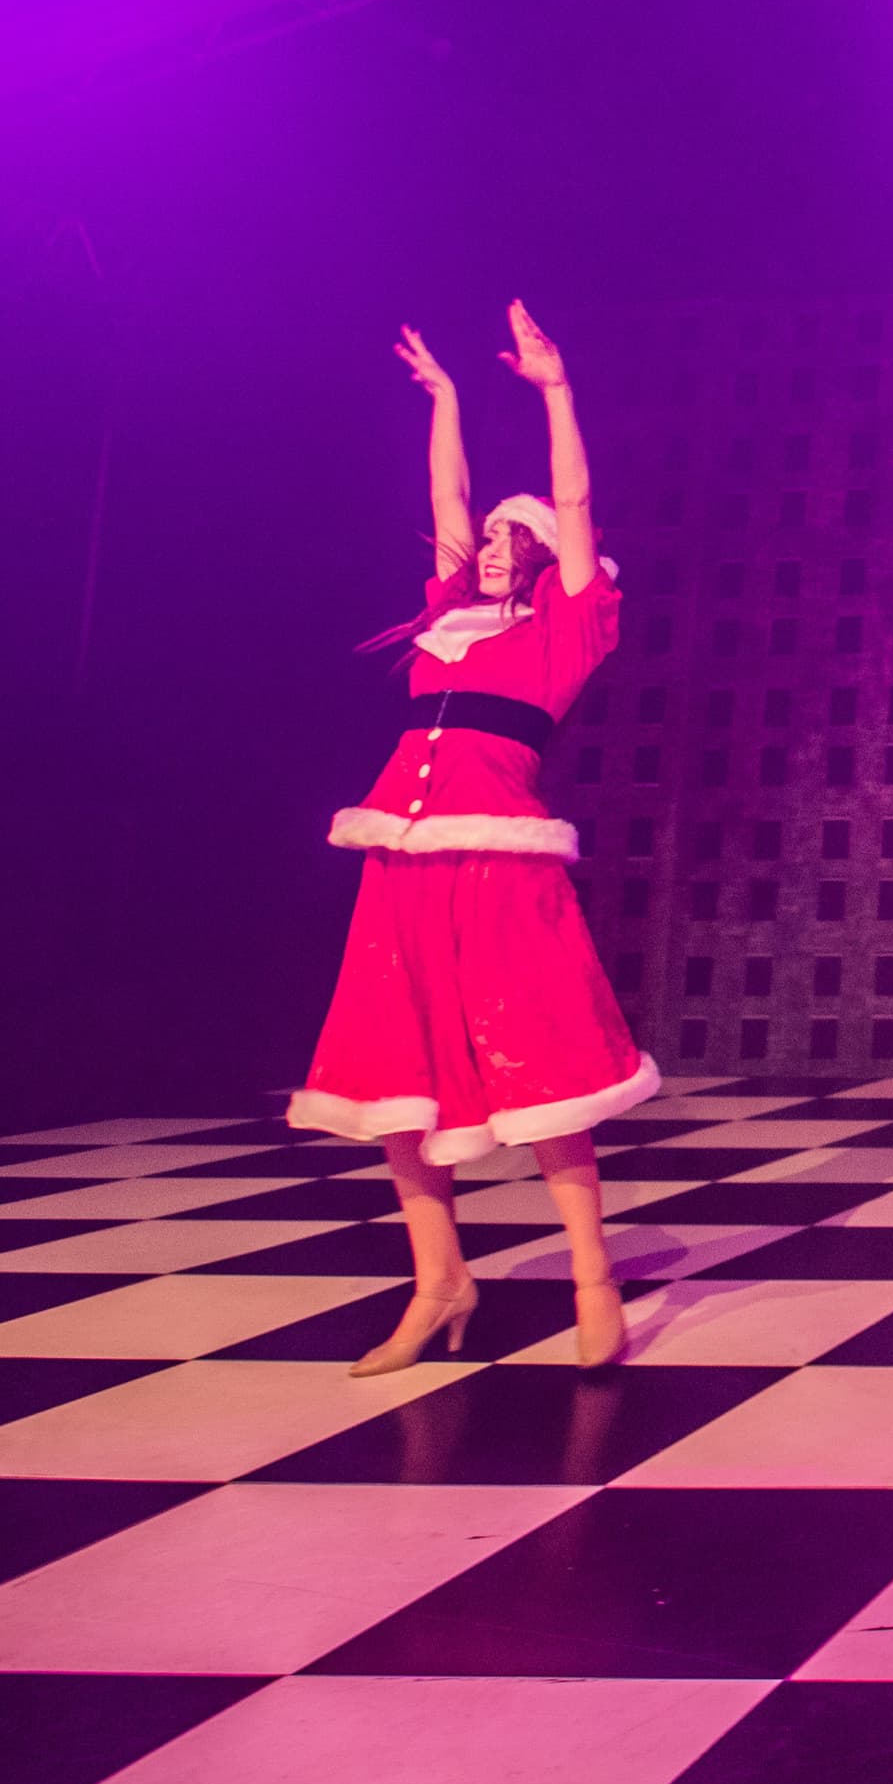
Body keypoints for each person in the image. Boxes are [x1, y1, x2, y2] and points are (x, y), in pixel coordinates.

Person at [294, 302, 657, 1376]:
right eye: (492, 539)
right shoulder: (446, 622)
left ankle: (593, 1279)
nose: (494, 547)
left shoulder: (567, 628)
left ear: (545, 558)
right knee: (394, 1065)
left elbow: (575, 499)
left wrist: (556, 391)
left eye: (513, 539)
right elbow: (446, 500)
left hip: (502, 859)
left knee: (542, 1053)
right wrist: (448, 398)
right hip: (403, 857)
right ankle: (439, 1280)